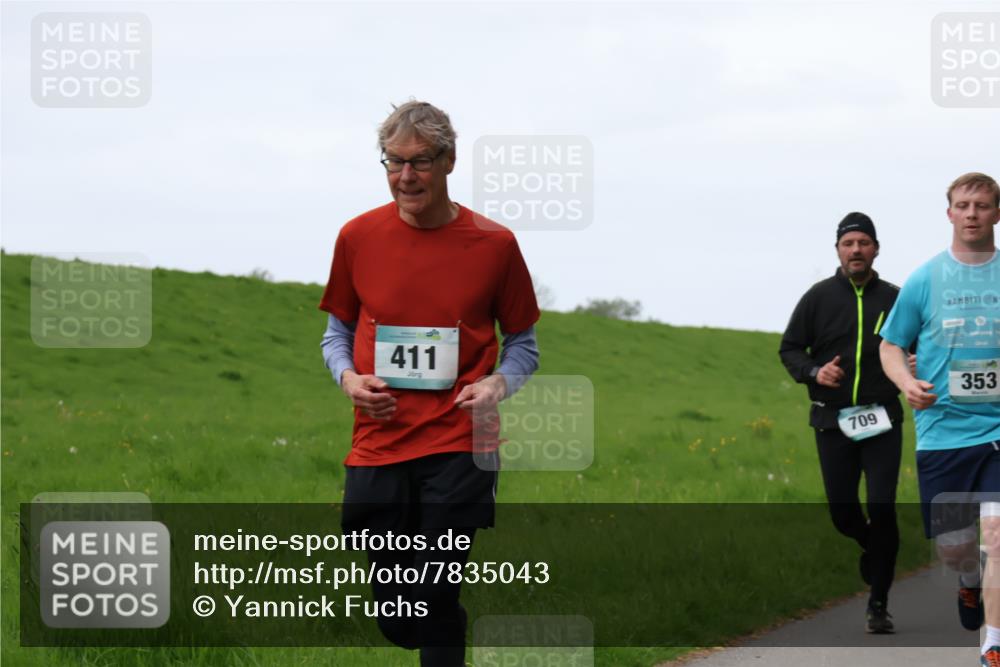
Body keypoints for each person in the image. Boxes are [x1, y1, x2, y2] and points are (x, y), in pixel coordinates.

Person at [318, 100, 540, 667]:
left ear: (449, 161)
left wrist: (496, 387)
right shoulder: (357, 236)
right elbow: (335, 333)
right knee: (398, 615)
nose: (405, 176)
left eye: (419, 162)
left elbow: (523, 346)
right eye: (393, 162)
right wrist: (347, 378)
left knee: (436, 590)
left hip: (461, 443)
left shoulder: (495, 245)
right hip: (378, 442)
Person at [879, 172, 1000, 665]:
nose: (972, 214)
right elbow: (890, 345)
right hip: (943, 435)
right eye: (963, 205)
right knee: (956, 549)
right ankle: (968, 583)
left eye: (983, 206)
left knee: (997, 535)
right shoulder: (926, 278)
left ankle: (992, 643)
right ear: (949, 213)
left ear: (997, 213)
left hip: (997, 434)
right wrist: (907, 383)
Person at [779, 212, 904, 634]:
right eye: (848, 243)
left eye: (864, 242)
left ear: (876, 249)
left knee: (883, 506)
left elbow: (920, 345)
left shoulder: (895, 298)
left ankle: (878, 605)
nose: (856, 250)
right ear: (838, 250)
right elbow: (791, 349)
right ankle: (878, 550)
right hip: (833, 421)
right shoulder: (817, 298)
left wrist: (915, 362)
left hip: (882, 418)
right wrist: (815, 373)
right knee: (843, 514)